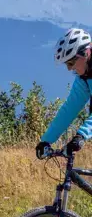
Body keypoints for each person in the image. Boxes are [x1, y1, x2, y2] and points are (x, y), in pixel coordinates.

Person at [36, 28, 92, 159]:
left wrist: (82, 135)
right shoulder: (83, 78)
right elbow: (69, 109)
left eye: (71, 62)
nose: (69, 68)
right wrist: (46, 140)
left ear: (84, 54)